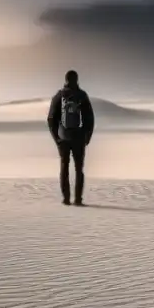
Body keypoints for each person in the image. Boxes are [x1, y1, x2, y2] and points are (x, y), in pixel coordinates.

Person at [47, 69, 95, 206]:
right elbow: (89, 118)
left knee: (64, 168)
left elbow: (51, 119)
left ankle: (66, 199)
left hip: (63, 139)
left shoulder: (59, 96)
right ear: (77, 79)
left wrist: (56, 138)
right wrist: (87, 137)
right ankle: (78, 200)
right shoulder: (82, 95)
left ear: (66, 80)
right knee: (79, 169)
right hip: (79, 138)